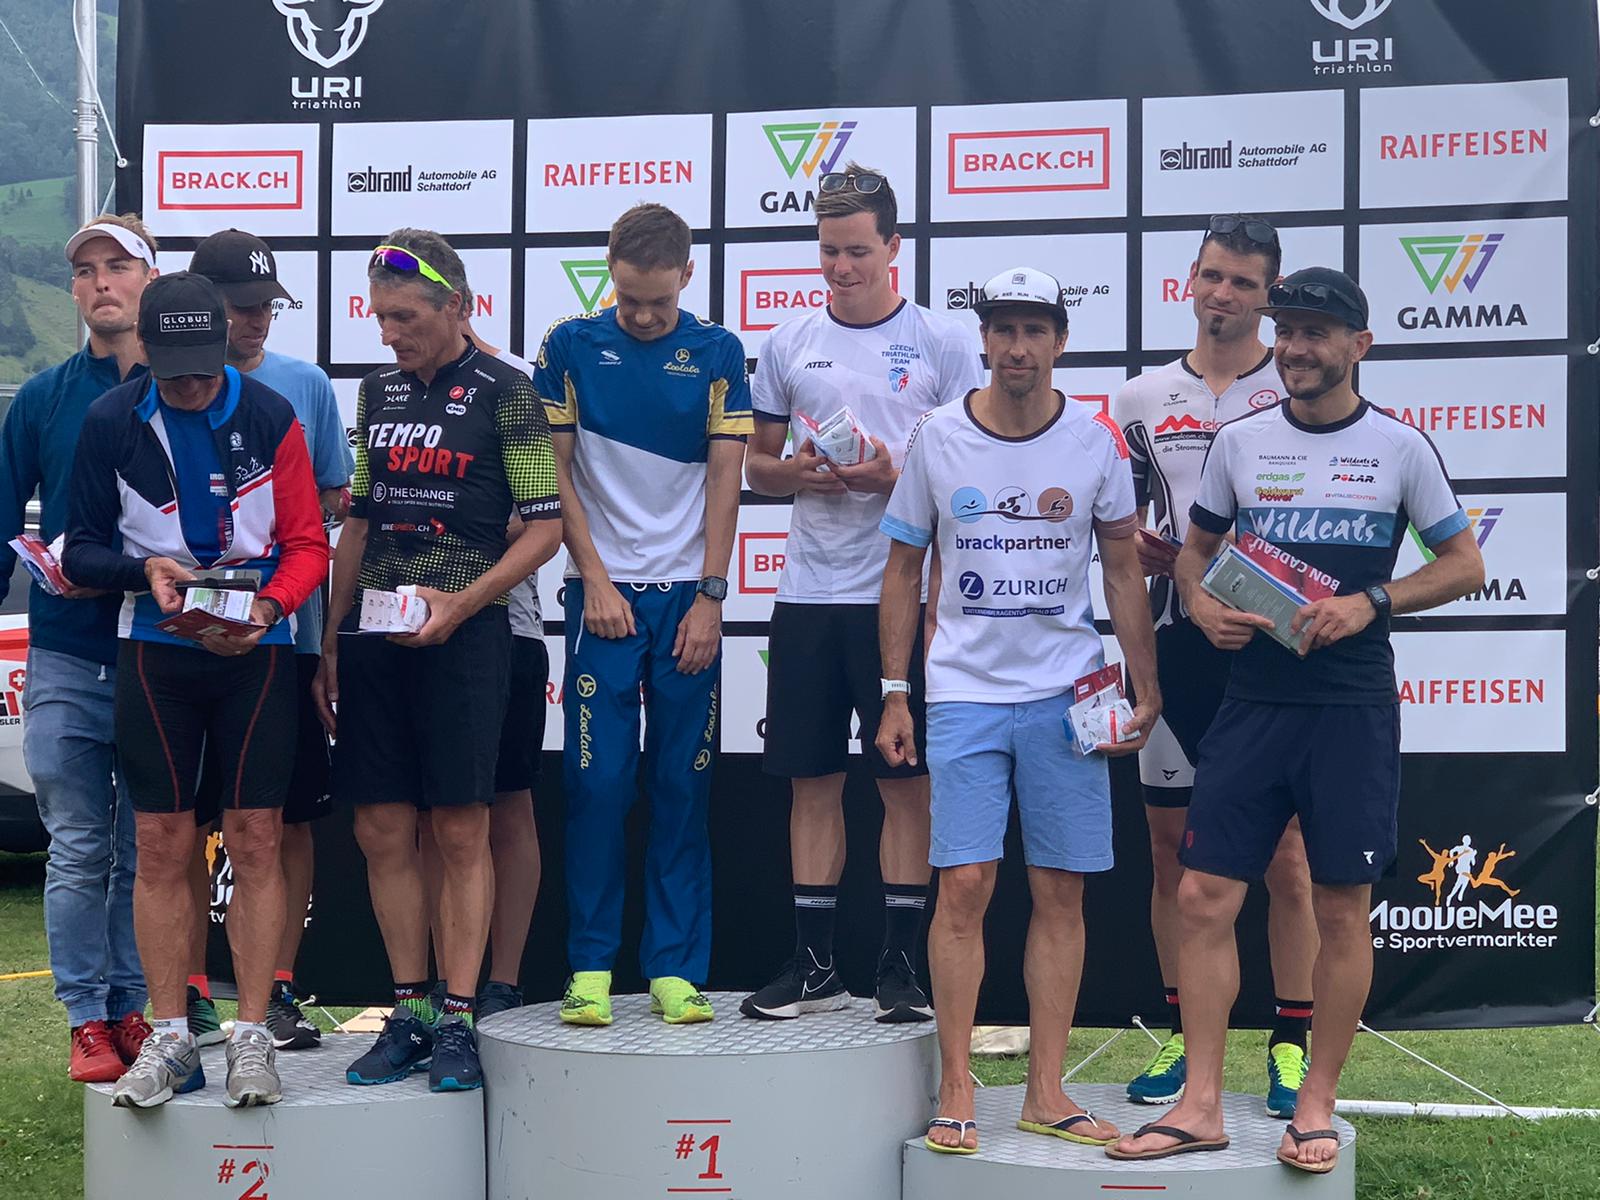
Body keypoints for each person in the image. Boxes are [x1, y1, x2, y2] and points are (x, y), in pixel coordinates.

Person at [1108, 268, 1483, 1173]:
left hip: (1349, 707)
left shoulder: (1400, 447)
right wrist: (1202, 607)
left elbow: (1465, 564)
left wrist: (1373, 602)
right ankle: (1201, 1104)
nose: (1296, 348)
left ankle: (1315, 1102)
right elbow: (1194, 554)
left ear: (1360, 346)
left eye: (1316, 332)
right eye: (1287, 331)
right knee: (1202, 896)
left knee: (1340, 906)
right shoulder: (1241, 442)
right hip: (1253, 703)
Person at [876, 267, 1160, 1155]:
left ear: (1060, 341)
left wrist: (1144, 683)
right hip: (963, 690)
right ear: (985, 340)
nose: (1018, 347)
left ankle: (1046, 1089)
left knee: (1060, 890)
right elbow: (902, 570)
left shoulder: (1094, 441)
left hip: (1066, 693)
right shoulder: (938, 436)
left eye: (1035, 330)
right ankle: (957, 1082)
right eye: (1003, 329)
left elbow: (1122, 569)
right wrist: (895, 691)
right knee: (963, 884)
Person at [63, 271, 330, 1108]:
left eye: (203, 371)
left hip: (256, 650)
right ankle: (173, 1034)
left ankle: (251, 1036)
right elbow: (80, 549)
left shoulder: (271, 415)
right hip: (157, 647)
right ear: (145, 350)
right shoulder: (112, 420)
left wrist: (272, 607)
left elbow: (308, 543)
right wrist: (144, 570)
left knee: (256, 838)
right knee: (162, 843)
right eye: (174, 372)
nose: (189, 387)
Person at [315, 229, 560, 1094]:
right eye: (380, 318)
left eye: (406, 317)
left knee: (461, 827)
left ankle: (460, 1016)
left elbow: (545, 527)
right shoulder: (375, 392)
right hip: (375, 635)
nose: (390, 334)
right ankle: (409, 1009)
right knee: (382, 828)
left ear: (457, 306)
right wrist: (330, 637)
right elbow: (358, 519)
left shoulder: (507, 392)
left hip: (469, 635)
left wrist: (464, 601)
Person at [741, 164, 982, 1023]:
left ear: (893, 247)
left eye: (857, 252)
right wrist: (798, 471)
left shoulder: (945, 342)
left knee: (903, 784)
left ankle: (899, 968)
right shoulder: (786, 341)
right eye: (828, 251)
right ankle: (813, 966)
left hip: (903, 593)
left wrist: (896, 475)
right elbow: (757, 467)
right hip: (809, 592)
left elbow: (976, 466)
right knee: (810, 781)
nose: (841, 268)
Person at [1112, 214, 1317, 1118]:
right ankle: (1181, 1036)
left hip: (1271, 651)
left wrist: (1230, 562)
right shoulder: (1139, 399)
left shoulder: (1296, 387)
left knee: (1288, 854)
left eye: (1243, 282)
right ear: (1190, 279)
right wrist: (1141, 551)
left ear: (1269, 297)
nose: (1223, 294)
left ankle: (1290, 1042)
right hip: (1172, 642)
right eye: (1213, 276)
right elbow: (1114, 526)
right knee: (1171, 852)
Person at [531, 202, 749, 1027]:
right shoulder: (570, 345)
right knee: (597, 785)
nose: (645, 315)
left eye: (659, 300)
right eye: (628, 298)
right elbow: (555, 474)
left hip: (688, 599)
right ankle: (590, 967)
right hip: (605, 596)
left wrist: (712, 596)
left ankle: (675, 969)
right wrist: (593, 578)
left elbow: (726, 478)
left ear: (688, 275)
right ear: (609, 273)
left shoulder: (718, 351)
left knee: (681, 785)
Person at [187, 228, 353, 1051]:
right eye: (240, 307)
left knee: (287, 819)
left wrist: (319, 643)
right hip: (182, 642)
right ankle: (189, 992)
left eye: (266, 307)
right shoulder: (161, 387)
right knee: (182, 822)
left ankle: (280, 988)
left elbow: (335, 504)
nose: (256, 321)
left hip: (286, 638)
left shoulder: (305, 384)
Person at [0, 215, 156, 1082]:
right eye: (86, 270)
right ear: (72, 290)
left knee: (147, 848)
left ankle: (134, 1004)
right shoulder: (43, 398)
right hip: (64, 651)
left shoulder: (189, 389)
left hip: (158, 649)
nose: (101, 282)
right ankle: (85, 1019)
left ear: (149, 280)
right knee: (77, 844)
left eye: (117, 266)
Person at [414, 304, 550, 1022]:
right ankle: (447, 983)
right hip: (420, 630)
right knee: (439, 812)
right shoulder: (394, 387)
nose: (395, 331)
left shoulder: (517, 381)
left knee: (509, 803)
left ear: (455, 308)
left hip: (510, 627)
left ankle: (504, 978)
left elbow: (549, 508)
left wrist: (479, 513)